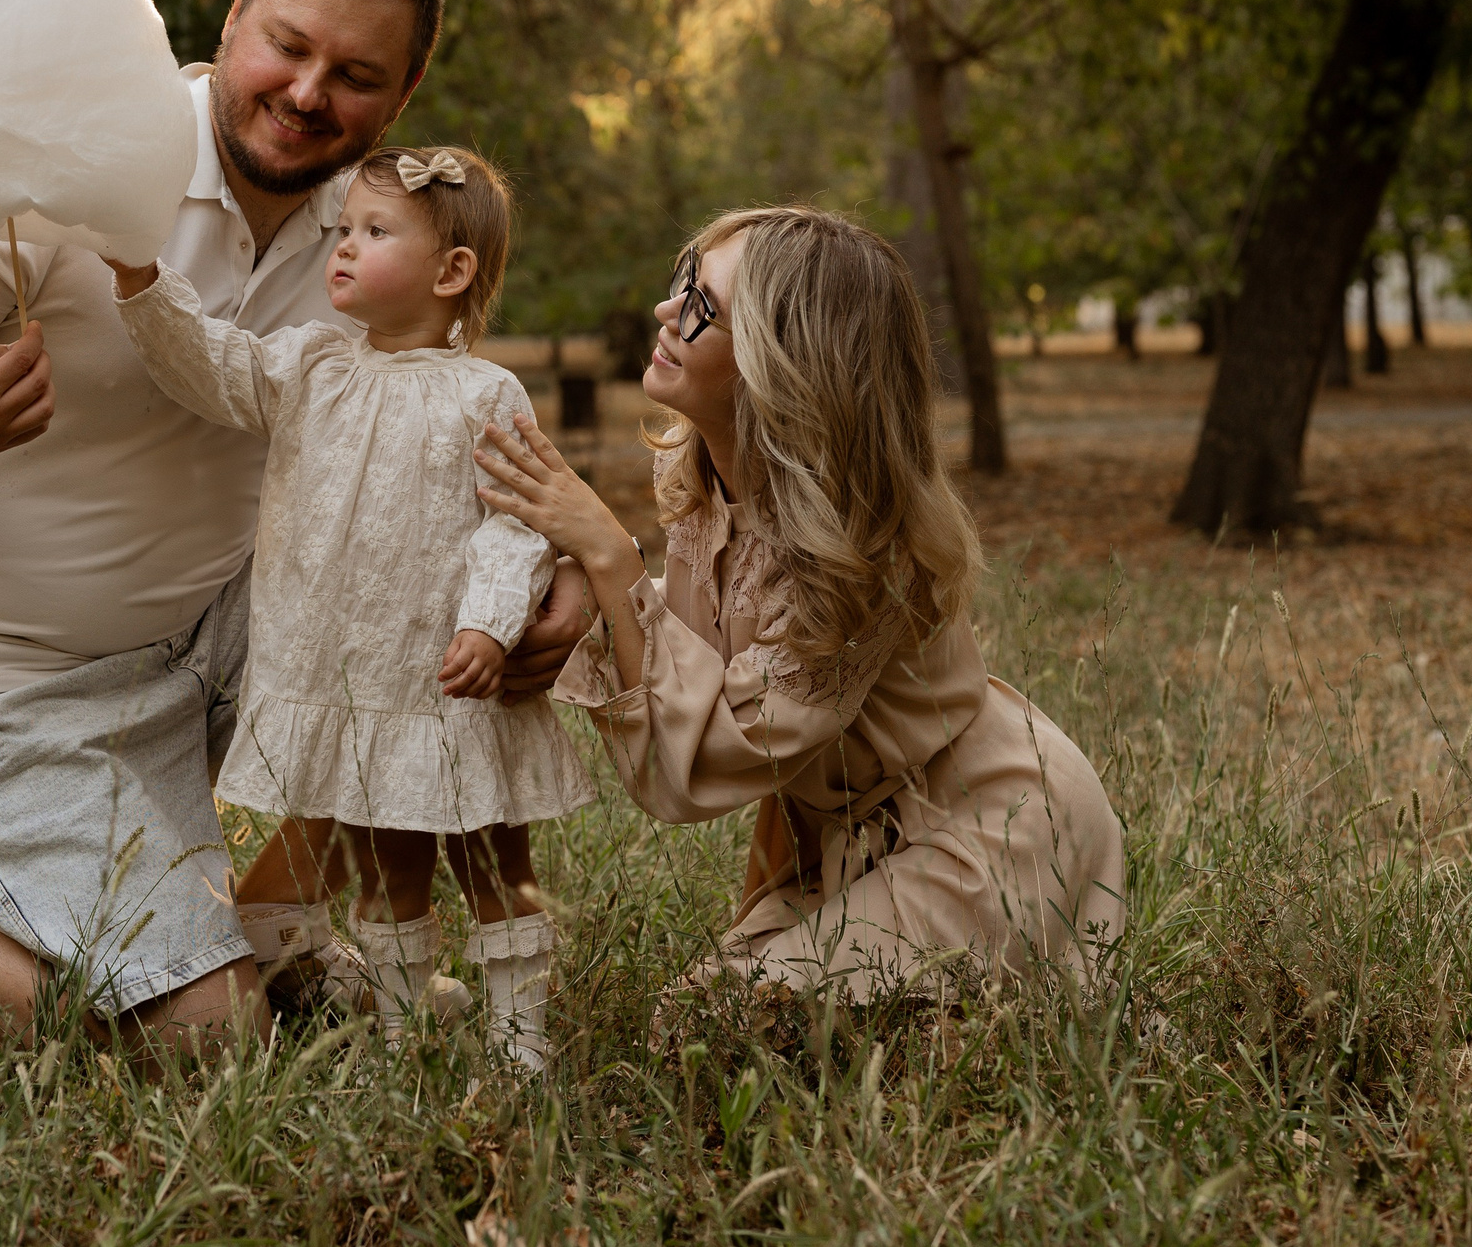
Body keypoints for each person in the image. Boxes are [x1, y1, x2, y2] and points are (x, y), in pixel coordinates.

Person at [0, 0, 589, 1061]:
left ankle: (271, 930)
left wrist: (555, 574)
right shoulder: (69, 163)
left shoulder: (379, 229)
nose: (309, 90)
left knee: (451, 615)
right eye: (287, 44)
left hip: (208, 632)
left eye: (355, 73)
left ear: (404, 92)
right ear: (231, 16)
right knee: (209, 1046)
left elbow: (449, 441)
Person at [472, 206, 1124, 1008]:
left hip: (994, 827)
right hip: (849, 843)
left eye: (704, 305)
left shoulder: (863, 549)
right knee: (704, 1010)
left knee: (719, 1023)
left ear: (784, 363)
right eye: (683, 283)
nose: (665, 312)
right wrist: (581, 581)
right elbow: (711, 677)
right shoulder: (703, 485)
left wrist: (608, 557)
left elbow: (713, 757)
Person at [107, 145, 595, 1069]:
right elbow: (213, 363)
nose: (342, 249)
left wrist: (490, 623)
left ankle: (520, 1041)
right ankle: (405, 1032)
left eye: (374, 232)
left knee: (498, 865)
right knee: (386, 870)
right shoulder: (310, 366)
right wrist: (143, 281)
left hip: (456, 683)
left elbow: (518, 524)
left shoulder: (484, 393)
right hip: (354, 678)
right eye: (343, 231)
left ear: (451, 272)